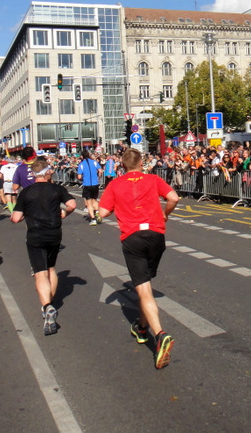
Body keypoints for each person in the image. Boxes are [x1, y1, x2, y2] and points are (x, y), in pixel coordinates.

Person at [98, 148, 180, 370]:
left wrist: (108, 207)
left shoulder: (115, 184)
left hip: (133, 237)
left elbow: (103, 212)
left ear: (122, 165)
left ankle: (160, 335)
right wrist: (165, 214)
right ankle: (142, 328)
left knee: (143, 290)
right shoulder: (153, 179)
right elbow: (173, 197)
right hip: (156, 236)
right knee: (147, 287)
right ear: (142, 162)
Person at [10, 159, 76, 335]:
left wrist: (19, 216)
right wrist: (64, 213)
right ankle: (50, 304)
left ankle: (46, 306)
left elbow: (16, 218)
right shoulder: (57, 189)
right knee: (51, 268)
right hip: (54, 233)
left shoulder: (27, 192)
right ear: (48, 173)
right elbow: (72, 204)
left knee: (40, 272)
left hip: (35, 235)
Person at [77, 150, 102, 225]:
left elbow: (79, 176)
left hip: (87, 184)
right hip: (95, 184)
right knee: (95, 200)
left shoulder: (81, 164)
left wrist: (81, 178)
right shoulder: (94, 162)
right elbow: (100, 170)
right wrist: (98, 177)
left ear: (82, 156)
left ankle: (93, 219)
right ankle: (97, 211)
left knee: (89, 202)